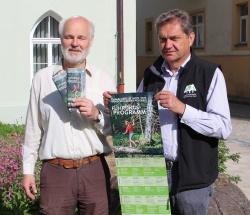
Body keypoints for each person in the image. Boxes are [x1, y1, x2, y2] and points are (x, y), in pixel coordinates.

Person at [104, 9, 232, 215]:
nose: (167, 45)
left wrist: (182, 109)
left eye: (174, 38)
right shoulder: (151, 73)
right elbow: (136, 122)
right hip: (151, 173)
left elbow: (223, 127)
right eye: (162, 39)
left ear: (191, 38)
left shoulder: (209, 73)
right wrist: (118, 106)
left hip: (193, 178)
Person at [22, 16, 116, 215]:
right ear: (60, 39)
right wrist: (27, 171)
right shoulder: (42, 79)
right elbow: (32, 129)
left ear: (90, 41)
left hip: (94, 169)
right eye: (69, 37)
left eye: (81, 37)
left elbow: (116, 128)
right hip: (56, 172)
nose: (75, 43)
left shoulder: (103, 78)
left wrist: (97, 114)